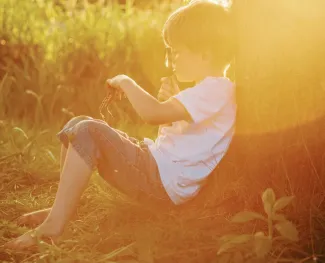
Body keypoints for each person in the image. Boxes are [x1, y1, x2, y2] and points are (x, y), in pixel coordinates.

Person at [3, 0, 236, 250]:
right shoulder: (207, 89)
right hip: (157, 169)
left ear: (205, 53)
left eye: (176, 52)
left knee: (87, 132)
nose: (170, 61)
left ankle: (53, 228)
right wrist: (175, 98)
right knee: (78, 123)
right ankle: (61, 207)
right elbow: (180, 134)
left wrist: (127, 82)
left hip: (161, 183)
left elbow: (151, 114)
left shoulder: (217, 89)